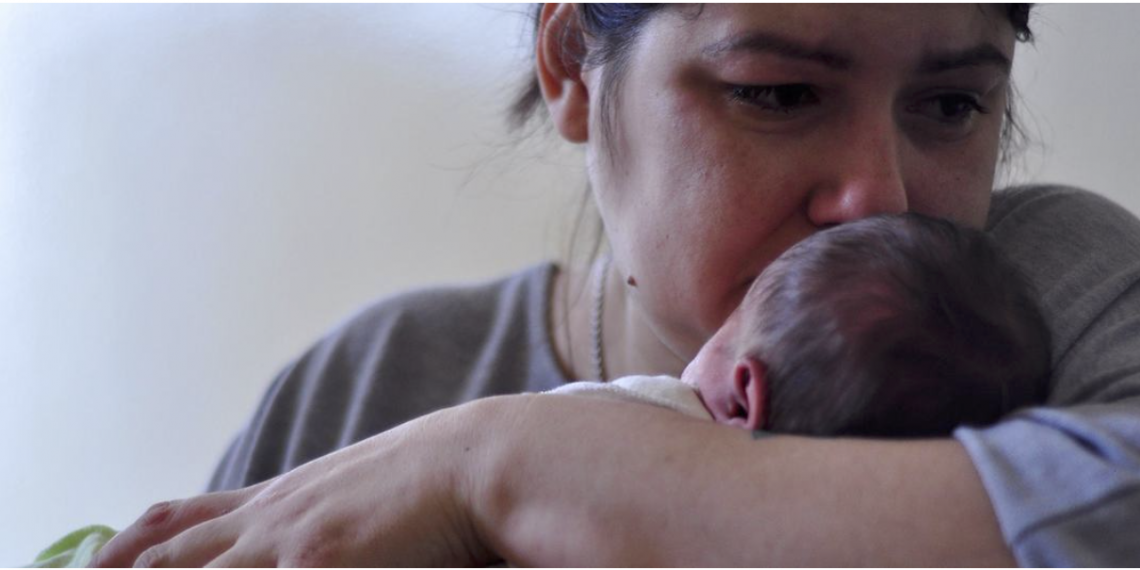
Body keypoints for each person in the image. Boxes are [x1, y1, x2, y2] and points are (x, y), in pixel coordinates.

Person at [92, 4, 1140, 566]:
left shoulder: (1044, 294)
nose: (882, 197)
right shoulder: (368, 386)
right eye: (774, 93)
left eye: (952, 105)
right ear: (571, 70)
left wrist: (504, 464)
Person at [554, 212, 1051, 438]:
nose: (874, 195)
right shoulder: (916, 529)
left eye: (733, 322)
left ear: (745, 394)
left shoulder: (634, 419)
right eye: (781, 93)